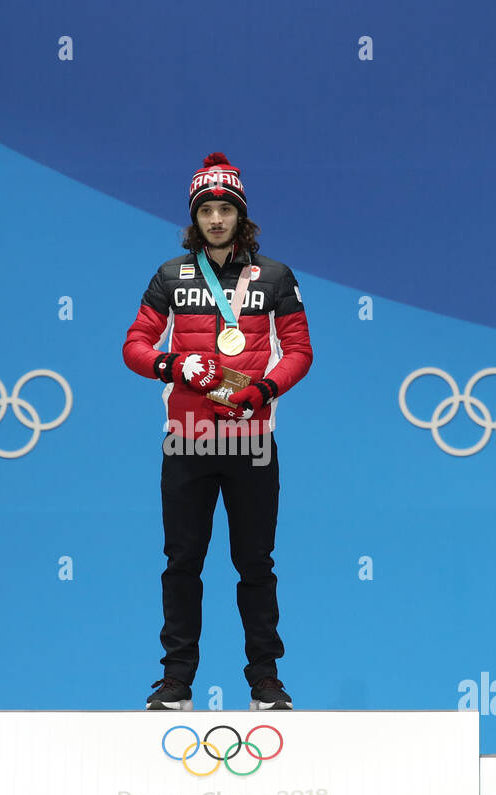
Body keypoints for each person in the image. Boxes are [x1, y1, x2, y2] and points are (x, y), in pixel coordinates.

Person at [123, 152, 313, 711]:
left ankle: (265, 683)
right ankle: (176, 682)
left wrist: (266, 390)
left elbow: (299, 351)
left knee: (255, 564)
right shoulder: (171, 276)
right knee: (182, 563)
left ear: (240, 215)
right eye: (205, 209)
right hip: (186, 442)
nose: (215, 219)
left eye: (224, 208)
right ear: (195, 217)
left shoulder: (276, 277)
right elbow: (134, 345)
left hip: (251, 443)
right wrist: (170, 364)